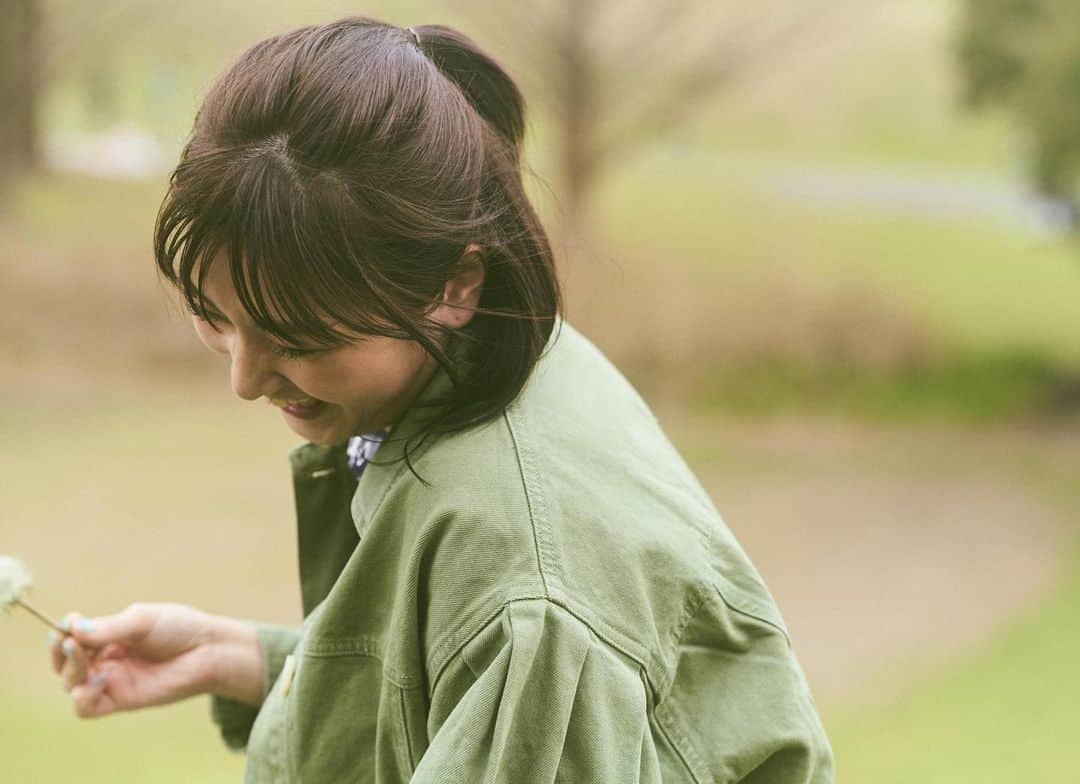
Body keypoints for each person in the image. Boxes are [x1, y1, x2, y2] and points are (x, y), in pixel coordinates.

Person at [47, 16, 833, 783]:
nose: (244, 380)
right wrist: (254, 662)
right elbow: (449, 702)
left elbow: (519, 651)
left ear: (455, 283)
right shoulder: (512, 357)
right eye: (216, 316)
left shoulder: (530, 597)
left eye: (300, 340)